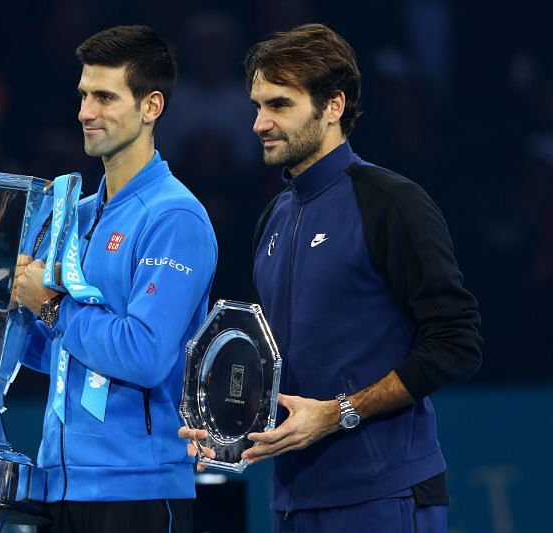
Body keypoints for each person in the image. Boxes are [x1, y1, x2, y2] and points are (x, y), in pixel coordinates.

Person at [181, 23, 482, 532]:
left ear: (333, 106)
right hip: (294, 503)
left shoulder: (390, 202)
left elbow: (457, 342)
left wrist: (340, 411)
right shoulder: (271, 218)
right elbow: (279, 364)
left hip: (386, 496)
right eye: (257, 105)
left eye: (279, 105)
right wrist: (226, 424)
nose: (258, 123)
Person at [0, 25, 217, 533]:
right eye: (84, 95)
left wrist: (49, 304)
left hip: (140, 489)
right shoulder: (78, 216)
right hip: (59, 484)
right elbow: (65, 354)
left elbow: (146, 354)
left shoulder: (175, 218)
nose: (85, 113)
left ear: (151, 106)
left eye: (105, 97)